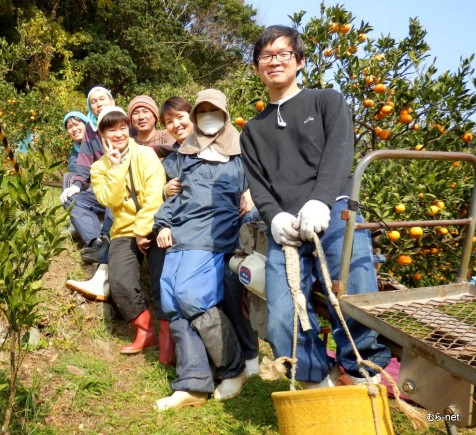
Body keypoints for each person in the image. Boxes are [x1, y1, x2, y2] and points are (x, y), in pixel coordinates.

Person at [239, 25, 391, 389]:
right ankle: (313, 381)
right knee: (282, 314)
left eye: (282, 54)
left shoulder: (327, 101)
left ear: (300, 61)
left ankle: (361, 375)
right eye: (266, 56)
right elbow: (258, 186)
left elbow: (340, 156)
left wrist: (320, 202)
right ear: (258, 67)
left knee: (354, 297)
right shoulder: (252, 131)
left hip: (334, 214)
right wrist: (274, 218)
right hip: (287, 231)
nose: (274, 62)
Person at [153, 89, 248, 411]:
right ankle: (193, 383)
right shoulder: (184, 156)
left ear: (224, 113)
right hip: (180, 233)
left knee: (192, 296)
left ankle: (234, 368)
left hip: (212, 237)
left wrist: (251, 200)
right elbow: (173, 198)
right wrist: (162, 224)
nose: (208, 117)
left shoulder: (240, 154)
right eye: (202, 111)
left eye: (214, 111)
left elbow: (256, 193)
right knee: (171, 301)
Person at [90, 106, 171, 361]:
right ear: (102, 134)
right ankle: (145, 330)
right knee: (120, 281)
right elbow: (109, 200)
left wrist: (142, 230)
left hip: (155, 224)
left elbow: (155, 195)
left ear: (129, 129)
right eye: (111, 129)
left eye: (123, 128)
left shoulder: (146, 154)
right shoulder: (99, 168)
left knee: (163, 282)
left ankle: (170, 338)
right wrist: (115, 167)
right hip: (123, 231)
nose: (118, 134)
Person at [64, 87, 116, 301]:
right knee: (72, 198)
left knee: (116, 197)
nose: (98, 104)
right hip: (99, 188)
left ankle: (107, 241)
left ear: (112, 100)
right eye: (93, 101)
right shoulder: (91, 132)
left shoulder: (122, 122)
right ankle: (95, 242)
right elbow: (84, 163)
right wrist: (76, 184)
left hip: (123, 187)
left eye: (102, 99)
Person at [127, 95, 173, 160]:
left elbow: (174, 146)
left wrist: (151, 150)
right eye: (136, 113)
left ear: (155, 117)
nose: (141, 117)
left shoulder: (167, 134)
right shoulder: (128, 142)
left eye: (145, 111)